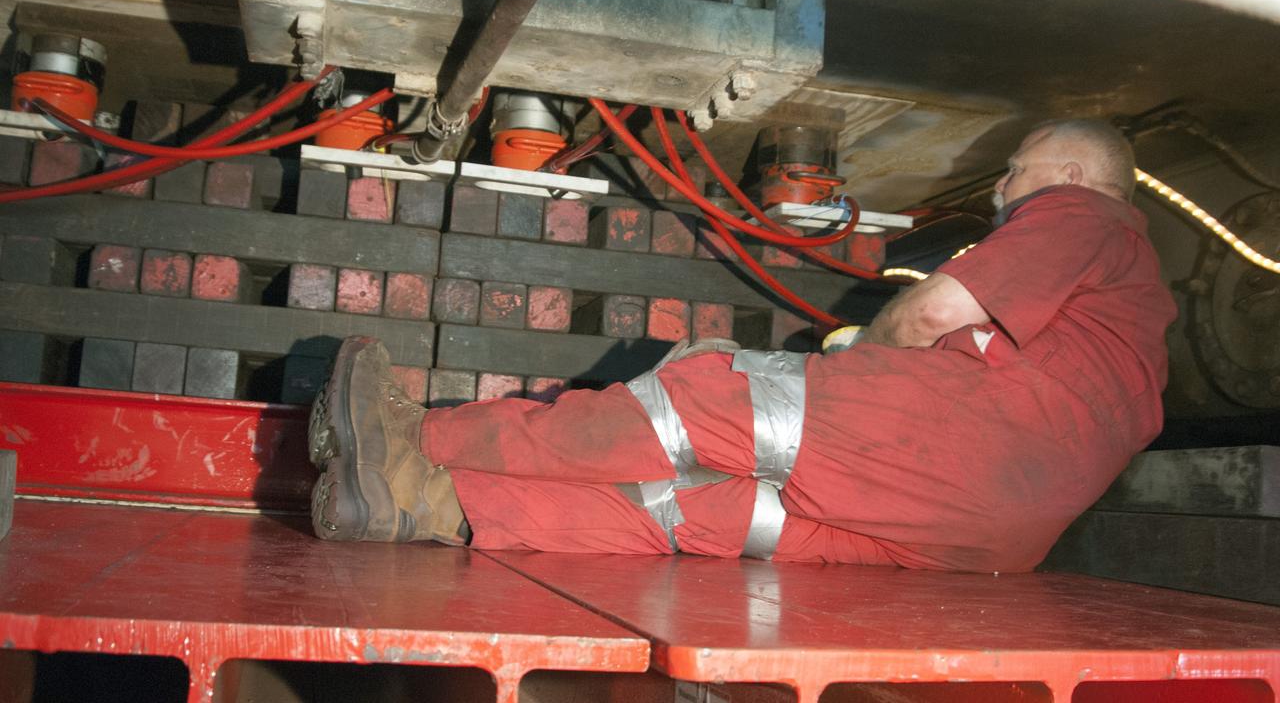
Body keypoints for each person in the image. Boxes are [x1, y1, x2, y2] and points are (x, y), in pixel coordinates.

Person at [307, 118, 1176, 572]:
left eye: (1017, 168)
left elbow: (928, 315)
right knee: (712, 512)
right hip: (996, 545)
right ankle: (423, 504)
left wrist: (848, 359)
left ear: (1068, 175)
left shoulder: (1088, 216)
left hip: (965, 452)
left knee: (700, 402)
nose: (1002, 187)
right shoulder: (1137, 324)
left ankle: (417, 440)